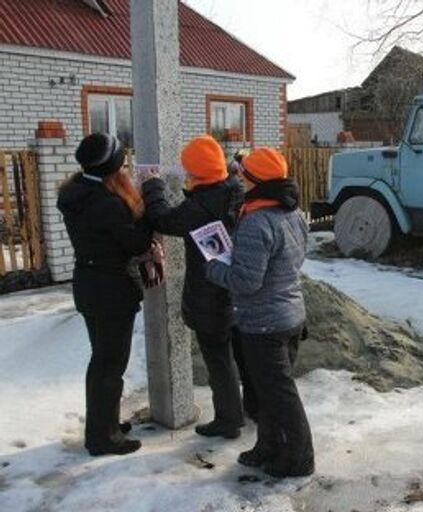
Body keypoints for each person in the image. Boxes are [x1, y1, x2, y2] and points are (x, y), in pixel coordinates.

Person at [206, 148, 314, 478]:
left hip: (264, 325)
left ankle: (298, 460)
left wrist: (214, 268)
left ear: (255, 181)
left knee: (281, 397)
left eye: (243, 173)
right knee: (267, 393)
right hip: (289, 316)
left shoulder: (257, 221)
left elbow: (245, 281)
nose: (238, 177)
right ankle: (268, 447)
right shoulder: (292, 212)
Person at [140, 134, 249, 439]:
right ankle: (252, 409)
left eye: (189, 171)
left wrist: (152, 186)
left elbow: (163, 219)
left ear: (199, 175)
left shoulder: (201, 205)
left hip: (211, 294)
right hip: (239, 289)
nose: (184, 175)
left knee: (219, 361)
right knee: (240, 355)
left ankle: (229, 420)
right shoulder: (234, 190)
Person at [57, 133, 153, 456]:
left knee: (101, 361)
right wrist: (150, 208)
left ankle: (105, 423)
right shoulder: (107, 204)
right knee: (110, 365)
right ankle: (103, 438)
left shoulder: (75, 194)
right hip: (111, 289)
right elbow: (137, 243)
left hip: (87, 283)